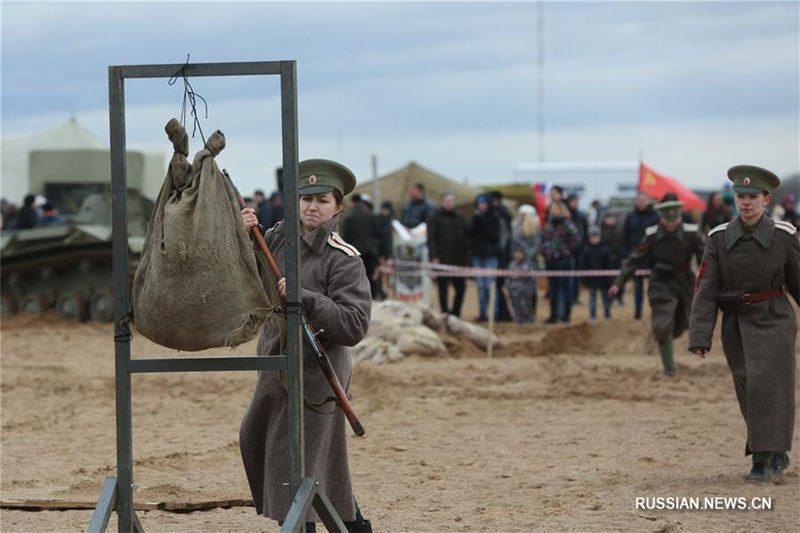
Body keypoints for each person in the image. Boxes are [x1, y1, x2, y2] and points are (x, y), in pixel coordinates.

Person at [239, 159, 373, 532]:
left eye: (323, 200)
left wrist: (308, 298)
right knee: (261, 442)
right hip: (276, 363)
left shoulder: (343, 258)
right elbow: (253, 279)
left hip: (318, 374)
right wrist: (247, 237)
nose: (312, 207)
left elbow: (354, 324)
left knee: (305, 467)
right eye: (306, 198)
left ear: (338, 207)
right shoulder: (278, 238)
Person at [689, 165, 800, 482]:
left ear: (767, 199)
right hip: (736, 325)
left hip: (775, 320)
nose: (746, 202)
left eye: (752, 196)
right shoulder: (720, 238)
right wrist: (700, 335)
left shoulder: (783, 237)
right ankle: (775, 447)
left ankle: (761, 460)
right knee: (748, 388)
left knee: (769, 387)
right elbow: (706, 287)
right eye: (740, 196)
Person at [609, 196, 705, 376]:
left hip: (684, 280)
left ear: (680, 217)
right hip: (661, 280)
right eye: (667, 221)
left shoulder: (691, 233)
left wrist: (710, 280)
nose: (671, 225)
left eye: (675, 220)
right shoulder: (652, 234)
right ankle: (670, 369)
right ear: (661, 218)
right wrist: (618, 283)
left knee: (681, 323)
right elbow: (635, 259)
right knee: (663, 323)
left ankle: (665, 337)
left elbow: (705, 258)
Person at [427, 191, 470, 317]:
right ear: (442, 202)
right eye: (447, 201)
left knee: (461, 289)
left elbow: (465, 238)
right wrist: (434, 257)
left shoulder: (459, 217)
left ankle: (456, 313)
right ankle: (445, 313)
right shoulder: (435, 217)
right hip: (442, 260)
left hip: (459, 261)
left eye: (452, 201)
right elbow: (431, 239)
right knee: (443, 290)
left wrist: (466, 258)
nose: (450, 204)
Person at [539, 201, 580, 324]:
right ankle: (553, 315)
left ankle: (566, 315)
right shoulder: (548, 224)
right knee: (553, 289)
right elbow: (543, 240)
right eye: (551, 208)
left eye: (555, 208)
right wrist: (545, 252)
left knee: (565, 289)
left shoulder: (568, 224)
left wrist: (564, 253)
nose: (553, 210)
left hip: (564, 261)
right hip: (550, 261)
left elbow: (575, 242)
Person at [623, 192, 660, 319]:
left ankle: (655, 312)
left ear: (648, 201)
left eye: (644, 200)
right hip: (636, 256)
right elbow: (626, 235)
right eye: (639, 200)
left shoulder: (655, 216)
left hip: (651, 257)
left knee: (653, 287)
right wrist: (627, 253)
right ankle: (637, 314)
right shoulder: (630, 216)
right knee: (637, 287)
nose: (641, 203)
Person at [468, 194, 502, 322]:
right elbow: (470, 232)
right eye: (479, 204)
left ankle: (494, 313)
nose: (481, 206)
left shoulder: (494, 217)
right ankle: (483, 313)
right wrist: (477, 220)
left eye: (483, 203)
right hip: (478, 255)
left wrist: (482, 221)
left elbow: (493, 235)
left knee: (490, 286)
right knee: (481, 287)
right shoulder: (476, 217)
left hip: (490, 256)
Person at [341, 194, 382, 299]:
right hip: (371, 252)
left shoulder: (349, 218)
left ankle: (358, 297)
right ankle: (372, 297)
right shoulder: (372, 216)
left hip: (355, 252)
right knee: (371, 275)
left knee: (357, 277)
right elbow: (378, 234)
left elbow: (345, 237)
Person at [512, 204, 542, 321]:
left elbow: (537, 245)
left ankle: (531, 313)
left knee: (531, 290)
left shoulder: (535, 228)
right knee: (517, 289)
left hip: (531, 262)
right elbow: (513, 244)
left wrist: (527, 255)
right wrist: (517, 255)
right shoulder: (515, 227)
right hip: (517, 263)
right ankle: (520, 314)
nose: (522, 217)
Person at [580, 225, 613, 322]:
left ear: (600, 236)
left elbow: (609, 265)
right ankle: (592, 317)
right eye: (592, 237)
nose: (594, 239)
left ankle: (607, 316)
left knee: (606, 299)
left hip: (604, 280)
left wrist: (610, 279)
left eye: (596, 236)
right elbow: (583, 266)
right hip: (592, 280)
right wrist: (584, 279)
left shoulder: (605, 250)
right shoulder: (586, 250)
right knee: (592, 299)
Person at [490, 191, 514, 322]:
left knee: (500, 286)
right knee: (499, 286)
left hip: (502, 257)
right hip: (502, 256)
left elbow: (504, 239)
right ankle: (502, 313)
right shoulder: (502, 213)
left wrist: (500, 253)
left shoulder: (501, 215)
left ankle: (504, 313)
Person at [506, 246, 537, 323]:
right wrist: (509, 287)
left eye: (520, 253)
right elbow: (508, 278)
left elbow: (533, 278)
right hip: (514, 289)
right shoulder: (512, 264)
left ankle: (529, 318)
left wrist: (531, 288)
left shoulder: (528, 264)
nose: (518, 255)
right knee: (516, 305)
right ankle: (519, 318)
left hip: (525, 289)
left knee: (526, 305)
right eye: (517, 253)